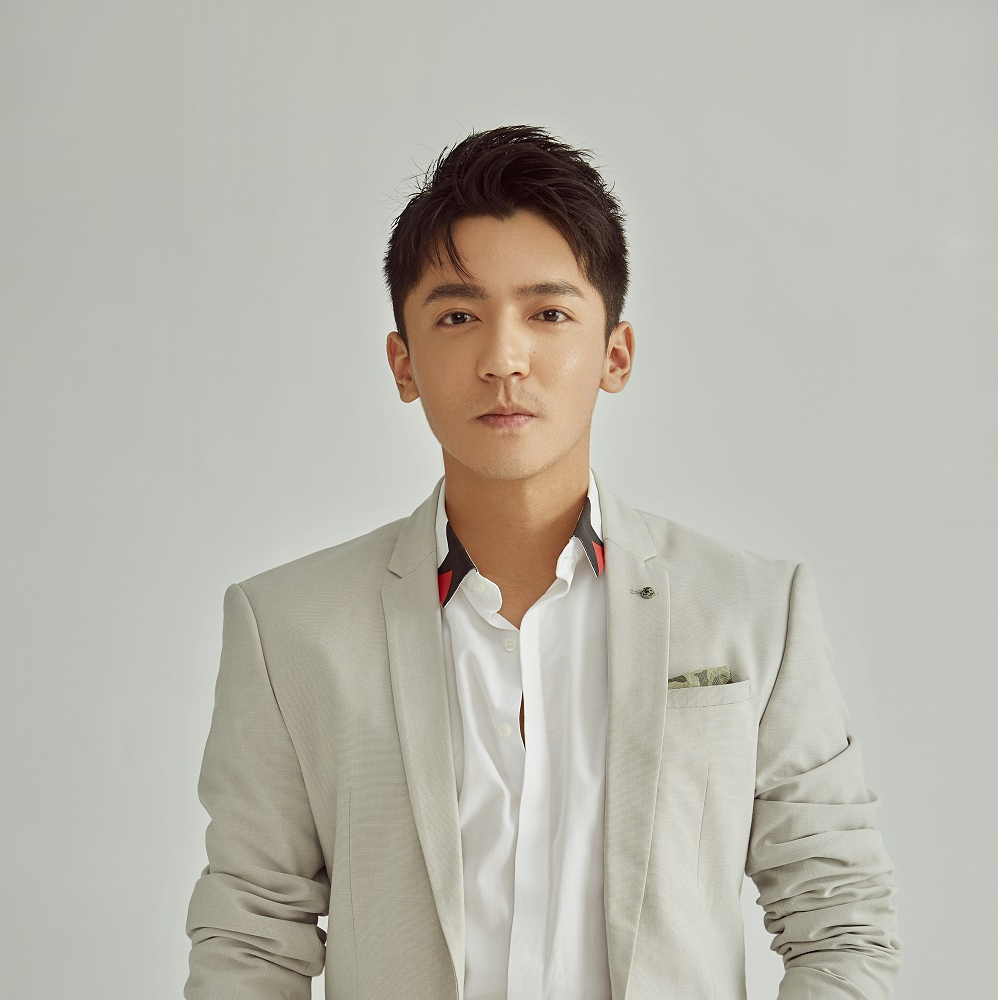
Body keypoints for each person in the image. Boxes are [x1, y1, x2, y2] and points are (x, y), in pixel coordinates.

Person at [183, 124, 902, 1000]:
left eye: (548, 313)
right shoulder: (289, 628)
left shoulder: (752, 609)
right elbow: (251, 941)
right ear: (403, 364)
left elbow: (842, 920)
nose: (502, 359)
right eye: (458, 316)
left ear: (614, 355)